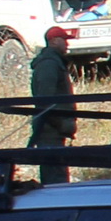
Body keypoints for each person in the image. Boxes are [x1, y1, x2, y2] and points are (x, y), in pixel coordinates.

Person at [26, 25, 77, 183]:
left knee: (57, 171)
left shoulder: (55, 62)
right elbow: (45, 99)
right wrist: (59, 123)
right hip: (50, 129)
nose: (67, 44)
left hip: (53, 127)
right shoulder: (49, 64)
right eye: (64, 40)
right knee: (55, 176)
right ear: (54, 41)